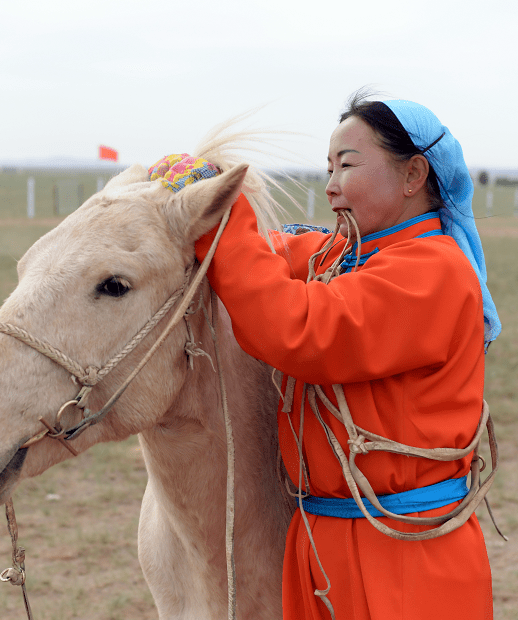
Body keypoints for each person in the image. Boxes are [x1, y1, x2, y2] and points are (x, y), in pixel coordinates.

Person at [193, 92, 501, 619]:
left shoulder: (435, 272)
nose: (330, 184)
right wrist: (186, 208)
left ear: (413, 175)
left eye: (349, 165)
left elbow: (302, 329)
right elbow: (284, 250)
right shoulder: (350, 254)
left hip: (405, 553)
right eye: (328, 167)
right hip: (322, 541)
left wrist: (228, 214)